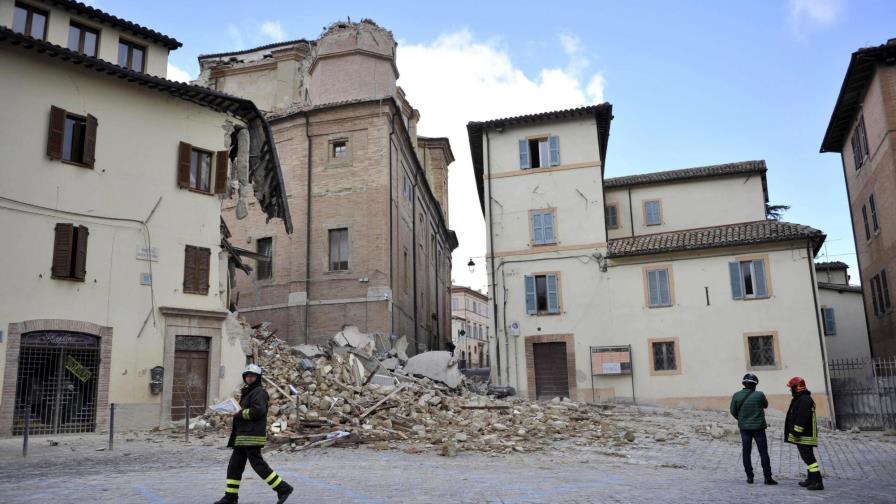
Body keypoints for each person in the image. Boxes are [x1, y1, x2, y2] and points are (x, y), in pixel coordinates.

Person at [214, 364, 294, 504]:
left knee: (258, 465)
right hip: (242, 436)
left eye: (252, 376)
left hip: (251, 436)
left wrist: (239, 413)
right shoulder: (249, 392)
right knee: (234, 466)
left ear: (257, 378)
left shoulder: (259, 392)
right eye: (247, 376)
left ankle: (283, 488)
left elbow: (258, 411)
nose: (249, 378)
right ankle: (231, 497)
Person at [730, 373, 777, 485]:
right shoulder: (760, 395)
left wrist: (741, 419)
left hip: (744, 428)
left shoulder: (736, 395)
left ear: (743, 383)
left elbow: (733, 411)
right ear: (755, 385)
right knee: (763, 452)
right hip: (758, 428)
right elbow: (765, 405)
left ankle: (749, 477)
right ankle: (767, 477)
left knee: (746, 452)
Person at [785, 376, 823, 491]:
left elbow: (802, 418)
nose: (790, 390)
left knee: (809, 459)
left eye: (792, 387)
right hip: (803, 435)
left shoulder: (804, 400)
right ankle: (811, 479)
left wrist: (797, 431)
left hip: (804, 435)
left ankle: (817, 482)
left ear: (797, 387)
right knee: (807, 458)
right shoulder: (800, 398)